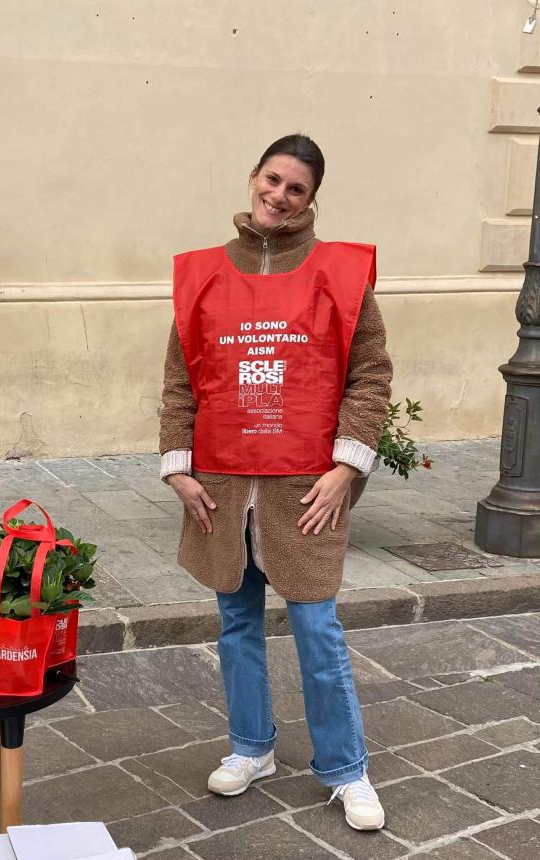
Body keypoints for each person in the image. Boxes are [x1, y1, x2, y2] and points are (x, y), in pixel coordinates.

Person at [159, 133, 393, 832]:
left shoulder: (341, 275)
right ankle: (251, 748)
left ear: (311, 198)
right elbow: (179, 383)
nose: (279, 195)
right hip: (223, 488)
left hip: (304, 490)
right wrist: (178, 469)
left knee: (315, 627)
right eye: (272, 179)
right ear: (253, 177)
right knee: (235, 624)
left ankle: (346, 768)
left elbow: (369, 376)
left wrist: (346, 467)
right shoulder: (201, 275)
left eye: (296, 188)